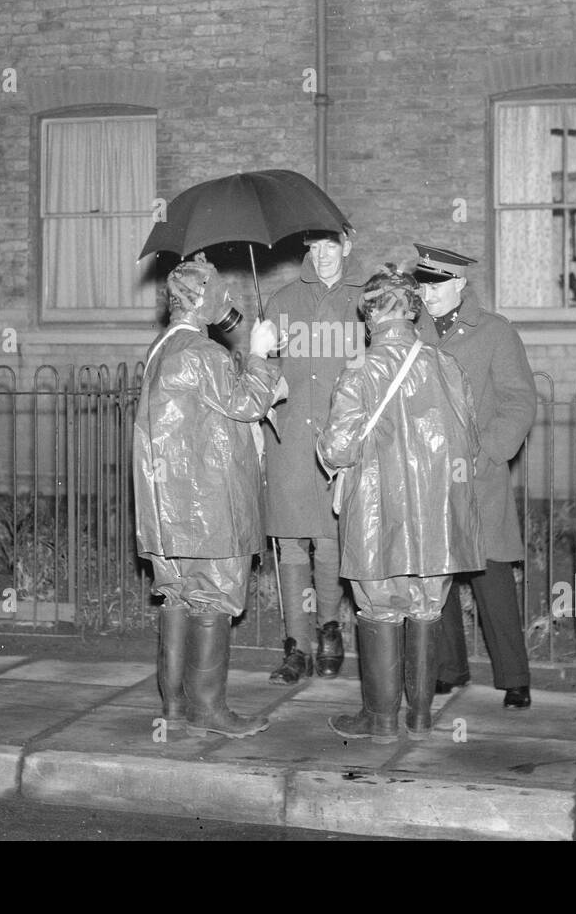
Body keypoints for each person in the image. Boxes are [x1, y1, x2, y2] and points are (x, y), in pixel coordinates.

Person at [316, 265, 481, 742]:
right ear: (412, 311)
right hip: (436, 517)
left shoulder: (360, 371)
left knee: (380, 609)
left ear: (369, 316)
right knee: (427, 607)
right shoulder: (446, 365)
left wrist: (321, 444)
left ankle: (381, 719)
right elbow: (468, 439)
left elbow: (339, 450)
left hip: (375, 515)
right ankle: (422, 716)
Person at [133, 254, 281, 738]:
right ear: (199, 300)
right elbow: (246, 404)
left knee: (176, 596)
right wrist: (259, 354)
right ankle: (210, 709)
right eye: (222, 292)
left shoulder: (162, 347)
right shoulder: (203, 352)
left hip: (167, 510)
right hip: (209, 507)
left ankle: (175, 705)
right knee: (213, 600)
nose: (229, 301)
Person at [413, 243, 536, 709]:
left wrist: (489, 450)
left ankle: (514, 677)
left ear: (461, 283)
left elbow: (519, 400)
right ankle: (449, 669)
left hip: (479, 475)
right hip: (428, 474)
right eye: (423, 285)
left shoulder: (495, 332)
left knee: (491, 576)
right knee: (436, 572)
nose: (429, 295)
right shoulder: (412, 332)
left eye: (438, 285)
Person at [263, 228, 367, 684]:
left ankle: (329, 629)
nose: (323, 256)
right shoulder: (283, 301)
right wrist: (265, 379)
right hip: (288, 439)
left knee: (329, 540)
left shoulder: (364, 302)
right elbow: (265, 369)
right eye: (315, 247)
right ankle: (296, 646)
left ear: (348, 246)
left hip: (338, 442)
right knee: (289, 541)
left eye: (332, 246)